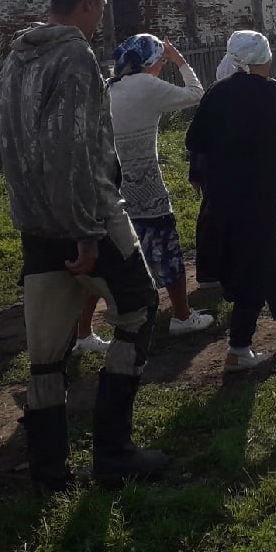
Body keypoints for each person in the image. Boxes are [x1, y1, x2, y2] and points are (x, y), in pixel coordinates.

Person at [0, 0, 167, 491]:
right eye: (102, 9)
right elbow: (71, 149)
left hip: (35, 223)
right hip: (86, 217)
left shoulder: (17, 57)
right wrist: (87, 231)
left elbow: (6, 138)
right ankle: (113, 452)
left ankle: (49, 470)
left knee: (46, 352)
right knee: (139, 312)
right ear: (90, 4)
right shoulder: (74, 56)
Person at [186, 30, 276, 372]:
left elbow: (195, 139)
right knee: (255, 262)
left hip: (221, 194)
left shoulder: (217, 92)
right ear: (262, 59)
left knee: (266, 255)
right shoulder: (268, 92)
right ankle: (238, 349)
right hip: (257, 193)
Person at [93, 33, 213, 340]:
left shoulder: (108, 87)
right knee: (166, 250)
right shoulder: (147, 85)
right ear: (151, 62)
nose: (162, 67)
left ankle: (84, 334)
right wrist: (180, 61)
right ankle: (182, 316)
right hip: (146, 187)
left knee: (104, 263)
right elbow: (196, 93)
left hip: (110, 188)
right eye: (161, 62)